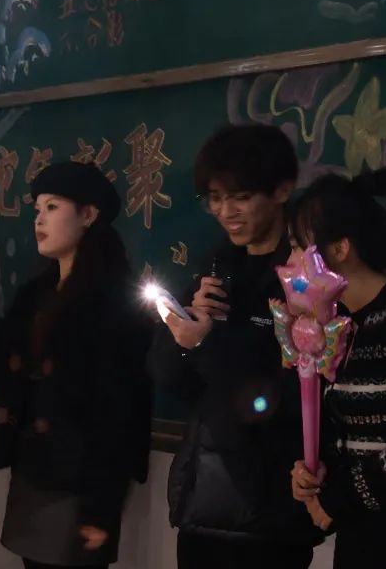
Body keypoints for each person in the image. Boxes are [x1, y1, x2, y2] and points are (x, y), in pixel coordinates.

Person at [147, 124, 322, 569]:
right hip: (205, 500)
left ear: (282, 190)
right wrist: (186, 332)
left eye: (240, 197)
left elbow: (282, 399)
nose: (226, 212)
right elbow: (168, 379)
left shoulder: (306, 278)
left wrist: (206, 344)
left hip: (270, 511)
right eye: (215, 198)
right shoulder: (216, 266)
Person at [0, 161, 151, 569]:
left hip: (82, 484)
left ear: (88, 215)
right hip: (35, 472)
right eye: (37, 209)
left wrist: (101, 508)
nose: (39, 220)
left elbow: (120, 409)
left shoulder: (113, 300)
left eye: (52, 207)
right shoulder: (36, 294)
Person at [290, 167, 386, 568]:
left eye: (298, 248)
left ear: (339, 249)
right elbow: (355, 430)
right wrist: (316, 472)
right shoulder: (344, 323)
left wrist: (343, 496)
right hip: (363, 534)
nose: (291, 263)